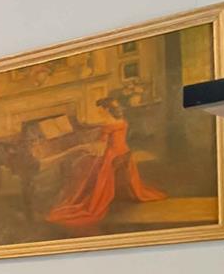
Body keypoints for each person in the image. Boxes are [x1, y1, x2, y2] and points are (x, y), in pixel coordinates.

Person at [47, 95, 166, 228]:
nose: (99, 112)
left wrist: (84, 147)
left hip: (112, 156)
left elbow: (100, 146)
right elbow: (107, 129)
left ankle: (78, 196)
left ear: (106, 109)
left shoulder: (107, 125)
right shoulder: (121, 121)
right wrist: (89, 126)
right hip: (125, 153)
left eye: (100, 109)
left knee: (83, 165)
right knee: (87, 161)